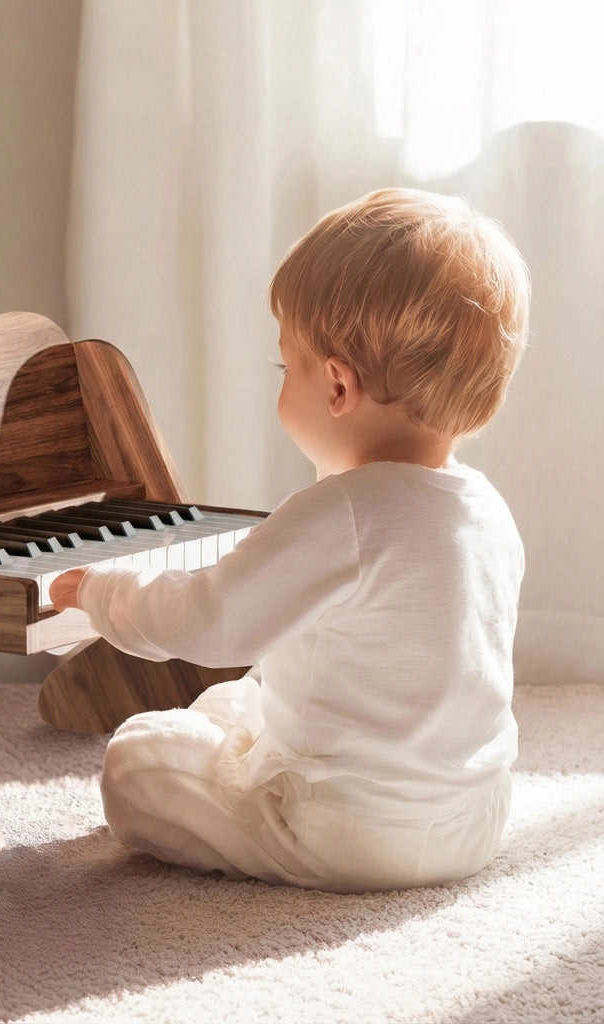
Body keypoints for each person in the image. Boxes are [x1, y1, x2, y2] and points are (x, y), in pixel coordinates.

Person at [49, 188, 530, 892]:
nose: (282, 384)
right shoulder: (487, 508)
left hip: (349, 830)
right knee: (246, 697)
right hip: (473, 818)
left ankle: (263, 806)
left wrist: (101, 592)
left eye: (285, 367)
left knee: (137, 760)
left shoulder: (344, 510)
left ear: (337, 385)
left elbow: (208, 624)